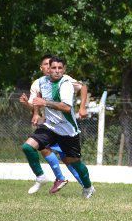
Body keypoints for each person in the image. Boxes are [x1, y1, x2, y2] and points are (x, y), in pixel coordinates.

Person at [19, 57, 95, 199]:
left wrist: (82, 107)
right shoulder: (41, 82)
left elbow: (66, 107)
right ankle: (41, 176)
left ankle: (88, 186)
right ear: (46, 68)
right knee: (28, 147)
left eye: (60, 68)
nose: (56, 71)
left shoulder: (66, 83)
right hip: (49, 126)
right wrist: (35, 112)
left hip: (67, 130)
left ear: (64, 69)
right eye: (53, 68)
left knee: (74, 162)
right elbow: (36, 101)